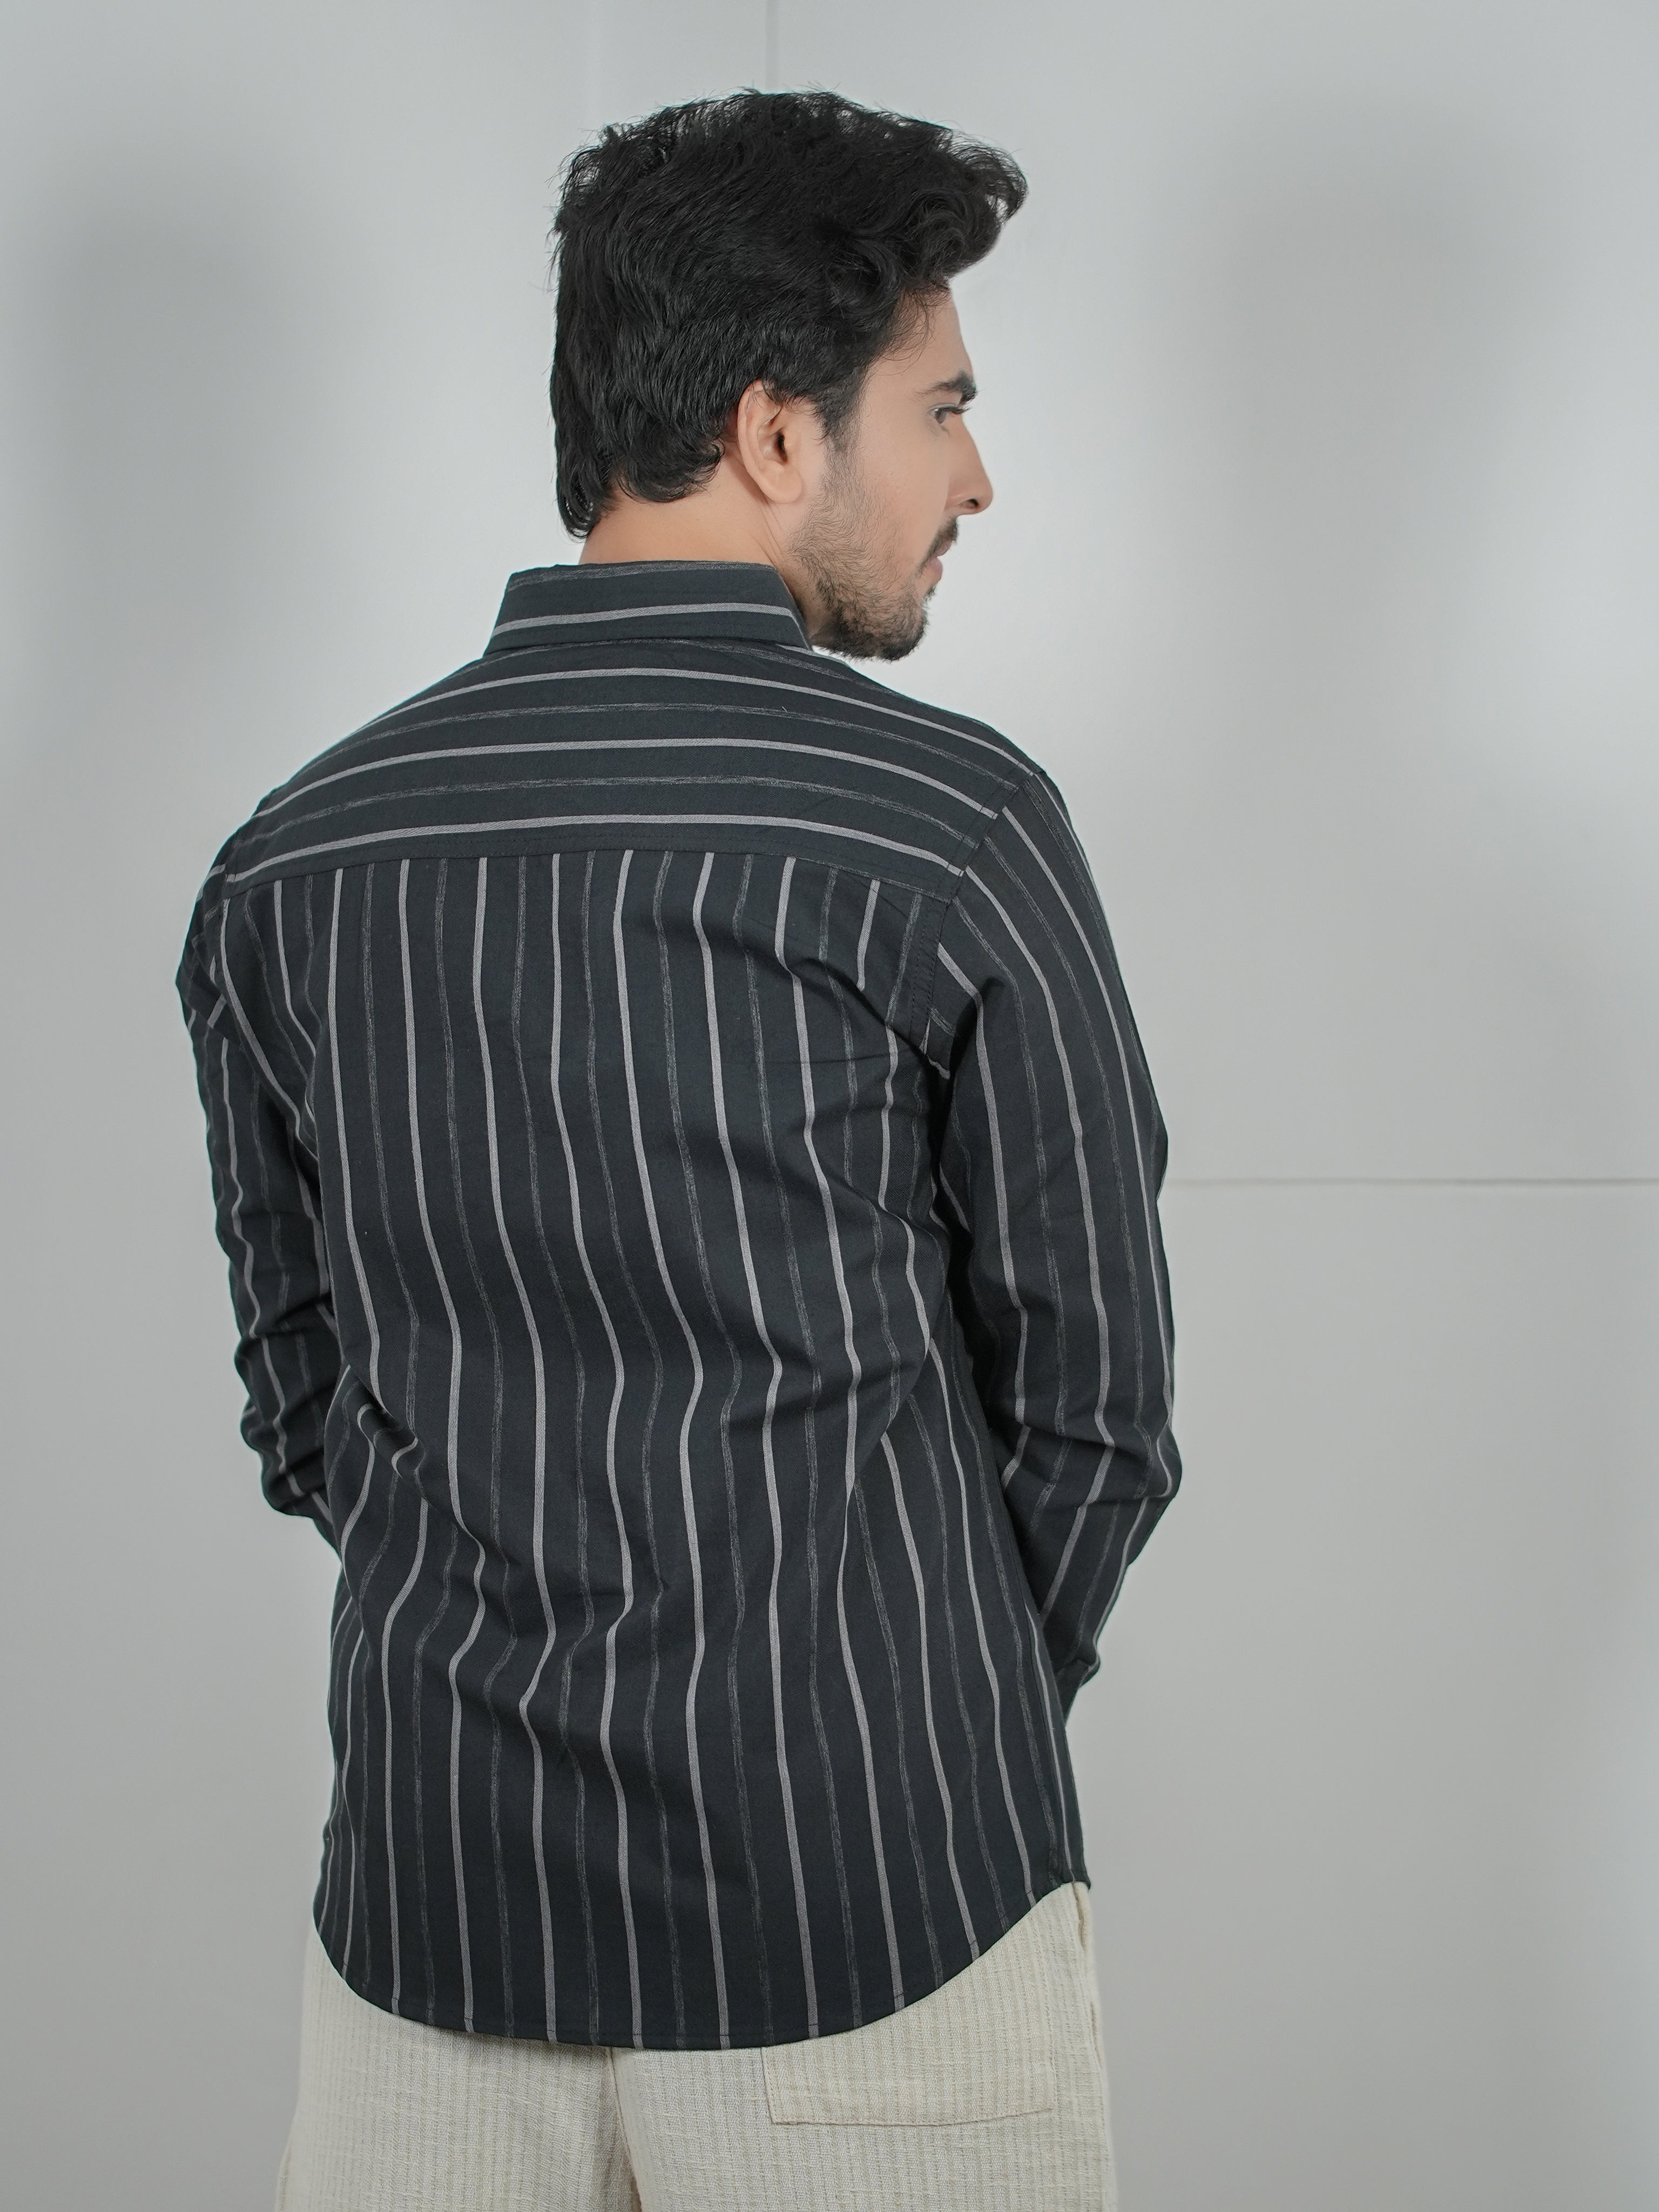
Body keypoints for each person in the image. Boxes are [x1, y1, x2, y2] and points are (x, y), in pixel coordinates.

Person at [178, 87, 1180, 2212]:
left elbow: (303, 1397)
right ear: (777, 434)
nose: (977, 476)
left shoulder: (293, 864)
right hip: (881, 1946)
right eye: (943, 408)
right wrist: (917, 1724)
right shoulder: (950, 828)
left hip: (431, 1953)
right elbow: (1097, 1412)